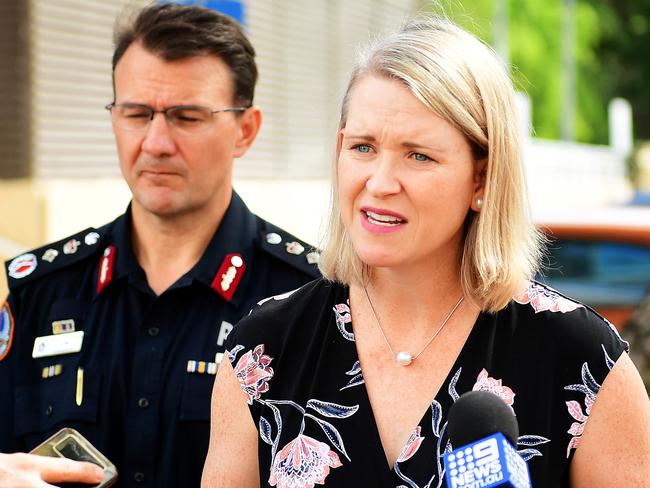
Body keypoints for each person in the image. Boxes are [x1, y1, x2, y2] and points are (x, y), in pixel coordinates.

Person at [202, 15, 650, 488]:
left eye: (419, 155)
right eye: (363, 147)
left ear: (482, 178)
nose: (379, 183)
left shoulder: (581, 360)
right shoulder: (262, 351)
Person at [0, 3, 319, 487]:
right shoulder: (42, 290)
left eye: (186, 117)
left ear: (246, 130)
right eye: (136, 113)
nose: (155, 142)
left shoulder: (308, 302)